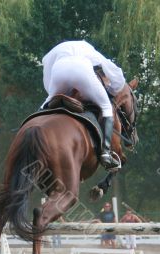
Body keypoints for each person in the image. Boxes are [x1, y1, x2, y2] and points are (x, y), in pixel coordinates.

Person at [40, 40, 126, 170]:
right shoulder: (88, 48)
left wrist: (53, 92)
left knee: (46, 102)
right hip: (82, 69)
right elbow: (114, 71)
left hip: (59, 70)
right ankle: (105, 153)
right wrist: (113, 90)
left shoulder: (53, 52)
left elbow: (47, 73)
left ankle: (30, 129)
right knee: (106, 107)